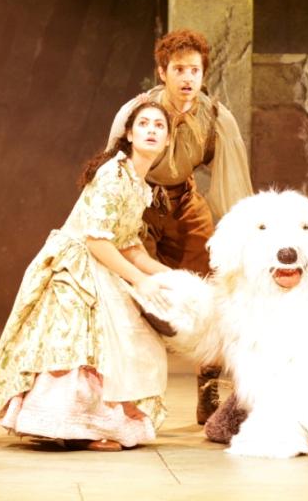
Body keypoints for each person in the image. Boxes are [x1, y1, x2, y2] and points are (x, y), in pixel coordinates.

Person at [0, 101, 174, 452]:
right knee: (79, 342)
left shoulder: (138, 184)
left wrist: (173, 276)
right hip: (78, 265)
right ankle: (72, 425)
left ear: (167, 140)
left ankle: (89, 424)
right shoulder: (113, 174)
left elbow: (129, 245)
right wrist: (139, 280)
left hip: (102, 261)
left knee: (127, 340)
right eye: (143, 124)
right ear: (129, 135)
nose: (151, 130)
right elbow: (96, 240)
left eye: (159, 126)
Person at [108, 29, 254, 424]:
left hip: (184, 201)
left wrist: (242, 238)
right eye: (178, 69)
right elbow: (113, 172)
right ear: (162, 72)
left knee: (212, 289)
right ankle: (129, 395)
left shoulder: (216, 118)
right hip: (138, 203)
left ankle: (209, 388)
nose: (187, 78)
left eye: (194, 70)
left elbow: (233, 182)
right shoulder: (139, 113)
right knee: (129, 291)